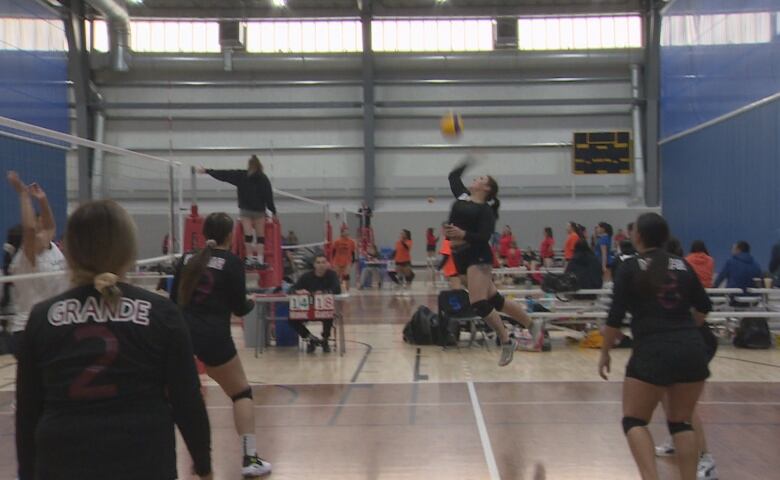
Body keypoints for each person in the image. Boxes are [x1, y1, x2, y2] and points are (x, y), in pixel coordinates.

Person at [16, 200, 213, 480]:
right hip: (143, 459)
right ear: (128, 250)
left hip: (62, 460)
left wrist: (26, 473)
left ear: (69, 251)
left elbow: (27, 412)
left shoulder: (42, 318)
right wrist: (203, 466)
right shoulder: (161, 314)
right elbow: (188, 401)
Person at [599, 212, 712, 480]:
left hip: (652, 349)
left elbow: (615, 317)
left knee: (635, 420)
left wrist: (604, 353)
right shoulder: (683, 265)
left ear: (638, 235)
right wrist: (685, 331)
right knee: (681, 422)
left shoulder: (629, 267)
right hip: (691, 348)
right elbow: (704, 308)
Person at [170, 212, 271, 477]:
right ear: (231, 235)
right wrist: (253, 301)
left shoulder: (186, 258)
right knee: (241, 393)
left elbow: (172, 303)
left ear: (204, 233)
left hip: (181, 336)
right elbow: (240, 308)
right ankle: (250, 459)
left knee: (181, 400)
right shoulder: (232, 263)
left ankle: (195, 460)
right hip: (214, 337)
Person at [444, 159, 542, 366]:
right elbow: (453, 177)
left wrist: (463, 233)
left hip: (477, 254)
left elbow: (484, 236)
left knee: (478, 303)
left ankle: (506, 341)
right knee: (495, 300)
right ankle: (532, 324)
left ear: (486, 188)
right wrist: (470, 159)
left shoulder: (485, 210)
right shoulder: (463, 198)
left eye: (480, 178)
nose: (475, 179)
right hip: (459, 255)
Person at [653, 238, 720, 480]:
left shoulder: (681, 273)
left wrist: (687, 330)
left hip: (695, 342)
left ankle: (706, 458)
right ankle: (676, 436)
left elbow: (702, 307)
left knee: (684, 406)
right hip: (678, 342)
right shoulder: (660, 274)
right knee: (665, 396)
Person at [6, 172, 68, 358]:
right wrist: (24, 196)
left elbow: (50, 227)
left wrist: (42, 199)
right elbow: (30, 229)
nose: (43, 233)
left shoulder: (52, 248)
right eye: (38, 230)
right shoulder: (27, 257)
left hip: (52, 324)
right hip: (28, 330)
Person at [197, 155, 276, 267]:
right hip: (259, 211)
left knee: (248, 236)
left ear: (249, 166)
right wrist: (273, 212)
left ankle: (249, 259)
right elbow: (269, 196)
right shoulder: (263, 178)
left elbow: (225, 175)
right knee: (260, 237)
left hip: (245, 211)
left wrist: (207, 171)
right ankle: (260, 259)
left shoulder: (242, 175)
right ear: (260, 166)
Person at [288, 253, 342, 353]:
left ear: (327, 264)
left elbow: (337, 289)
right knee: (291, 319)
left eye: (323, 262)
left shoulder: (332, 275)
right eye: (318, 262)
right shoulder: (306, 276)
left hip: (324, 308)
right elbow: (292, 289)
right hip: (307, 309)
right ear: (314, 264)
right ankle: (310, 338)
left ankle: (325, 339)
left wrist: (324, 292)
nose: (321, 265)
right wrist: (297, 291)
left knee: (328, 314)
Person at [331, 226, 357, 292]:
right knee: (337, 275)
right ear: (342, 233)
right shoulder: (337, 242)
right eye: (345, 231)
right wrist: (333, 260)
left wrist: (353, 260)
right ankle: (336, 289)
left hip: (347, 260)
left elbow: (353, 252)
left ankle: (347, 289)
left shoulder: (351, 242)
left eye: (347, 231)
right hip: (338, 260)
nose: (347, 232)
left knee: (346, 275)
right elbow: (333, 251)